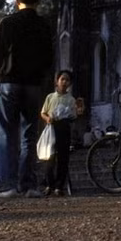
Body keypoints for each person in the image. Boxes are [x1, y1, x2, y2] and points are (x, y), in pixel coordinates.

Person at [0, 0, 55, 198]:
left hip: (9, 82)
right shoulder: (45, 25)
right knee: (29, 134)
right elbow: (49, 58)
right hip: (34, 84)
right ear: (39, 0)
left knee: (6, 133)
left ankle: (7, 185)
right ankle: (28, 185)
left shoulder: (7, 23)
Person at [40, 69, 77, 197]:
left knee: (63, 158)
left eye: (67, 80)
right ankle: (49, 184)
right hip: (51, 128)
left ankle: (59, 186)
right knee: (49, 158)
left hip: (64, 129)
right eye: (62, 79)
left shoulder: (71, 100)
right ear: (57, 81)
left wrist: (77, 113)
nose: (64, 82)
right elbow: (43, 112)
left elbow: (73, 115)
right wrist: (47, 119)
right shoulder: (50, 97)